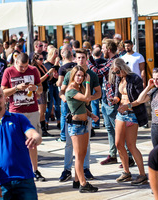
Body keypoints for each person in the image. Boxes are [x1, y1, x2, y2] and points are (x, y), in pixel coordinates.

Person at [0, 85, 42, 200]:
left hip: (25, 180)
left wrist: (36, 138)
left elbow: (33, 133)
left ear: (5, 98)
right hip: (2, 182)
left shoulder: (19, 119)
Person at [88, 39, 135, 167]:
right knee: (109, 128)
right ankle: (113, 154)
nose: (102, 50)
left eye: (103, 48)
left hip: (112, 100)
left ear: (108, 49)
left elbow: (98, 72)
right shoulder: (109, 61)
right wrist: (91, 59)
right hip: (105, 98)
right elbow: (99, 68)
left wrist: (88, 61)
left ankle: (129, 157)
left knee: (118, 130)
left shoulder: (115, 62)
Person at [1, 53, 45, 181]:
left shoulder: (34, 70)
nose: (24, 69)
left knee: (33, 142)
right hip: (15, 111)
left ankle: (35, 170)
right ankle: (16, 170)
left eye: (26, 66)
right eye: (21, 67)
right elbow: (3, 91)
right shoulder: (8, 71)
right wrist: (16, 88)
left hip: (32, 110)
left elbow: (41, 89)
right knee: (15, 142)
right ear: (15, 61)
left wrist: (35, 87)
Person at [59, 48, 101, 182]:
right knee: (70, 145)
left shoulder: (91, 75)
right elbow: (62, 91)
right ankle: (67, 170)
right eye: (78, 57)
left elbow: (98, 93)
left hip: (84, 113)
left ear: (87, 58)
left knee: (84, 148)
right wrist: (66, 98)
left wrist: (87, 101)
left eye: (83, 57)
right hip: (71, 115)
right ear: (75, 58)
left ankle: (83, 172)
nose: (81, 60)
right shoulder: (70, 75)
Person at [109, 58, 148, 185]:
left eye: (118, 71)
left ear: (123, 68)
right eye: (114, 72)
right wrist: (115, 99)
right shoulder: (118, 78)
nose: (116, 74)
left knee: (131, 145)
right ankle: (126, 172)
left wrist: (128, 106)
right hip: (121, 113)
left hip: (132, 114)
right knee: (118, 143)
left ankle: (142, 174)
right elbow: (118, 94)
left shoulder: (135, 78)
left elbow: (141, 99)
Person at [65, 66, 98, 193]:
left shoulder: (79, 88)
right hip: (76, 125)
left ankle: (77, 180)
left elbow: (83, 105)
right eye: (78, 75)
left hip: (83, 123)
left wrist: (91, 115)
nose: (80, 78)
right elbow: (87, 98)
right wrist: (88, 82)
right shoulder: (71, 89)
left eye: (82, 76)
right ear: (73, 75)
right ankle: (83, 184)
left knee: (83, 154)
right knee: (79, 156)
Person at [31, 53, 55, 136]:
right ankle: (41, 129)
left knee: (43, 110)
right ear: (35, 60)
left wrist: (51, 74)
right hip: (39, 90)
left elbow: (48, 77)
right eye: (40, 59)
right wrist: (48, 73)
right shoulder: (35, 68)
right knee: (41, 111)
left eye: (42, 59)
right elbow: (39, 80)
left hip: (44, 89)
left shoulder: (42, 66)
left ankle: (43, 129)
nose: (42, 60)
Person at [56, 48, 76, 142]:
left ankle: (63, 135)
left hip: (66, 93)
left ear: (63, 57)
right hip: (77, 92)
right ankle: (74, 133)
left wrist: (56, 82)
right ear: (72, 56)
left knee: (64, 115)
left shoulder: (62, 68)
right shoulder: (76, 66)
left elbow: (60, 83)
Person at [44, 47, 61, 130]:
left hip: (56, 85)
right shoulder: (47, 64)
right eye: (55, 53)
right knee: (49, 105)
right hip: (50, 85)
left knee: (57, 105)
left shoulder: (57, 64)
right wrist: (56, 64)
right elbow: (49, 77)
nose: (57, 55)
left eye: (57, 53)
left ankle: (59, 122)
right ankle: (46, 122)